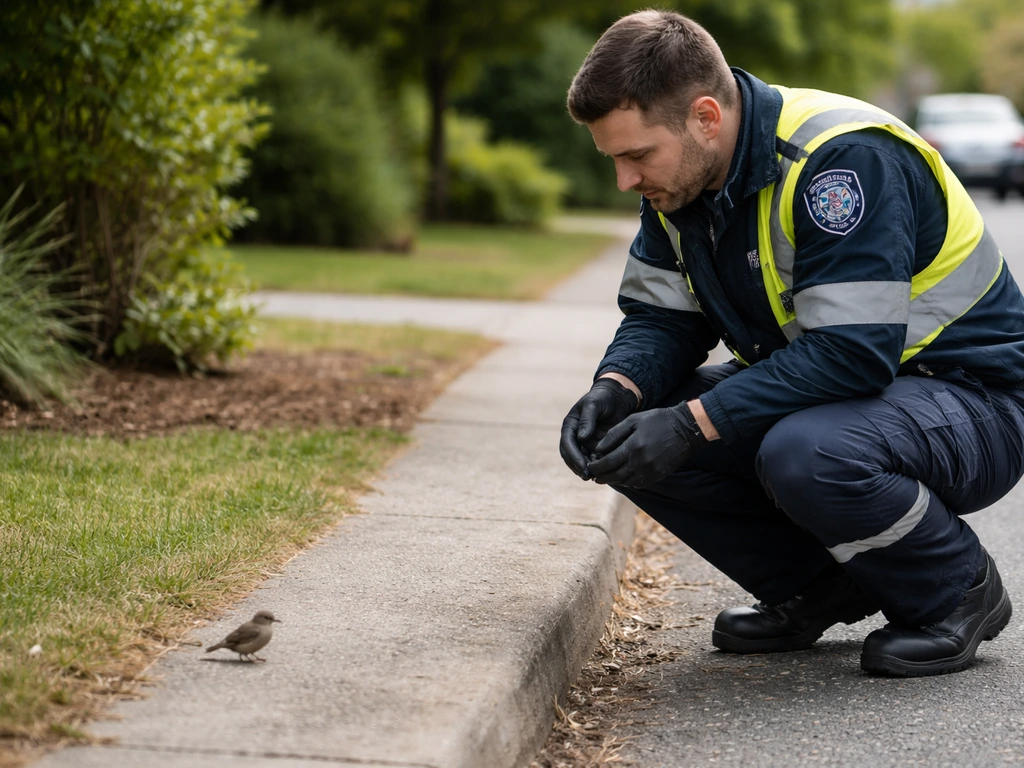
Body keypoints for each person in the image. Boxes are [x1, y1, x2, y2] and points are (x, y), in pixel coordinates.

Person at [559, 9, 1024, 677]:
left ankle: (955, 589)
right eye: (614, 159)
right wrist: (615, 389)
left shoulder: (842, 162)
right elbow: (663, 318)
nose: (625, 180)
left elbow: (851, 353)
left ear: (706, 118)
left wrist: (691, 424)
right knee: (630, 432)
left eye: (636, 155)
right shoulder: (682, 180)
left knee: (805, 452)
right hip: (850, 397)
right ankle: (825, 586)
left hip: (974, 403)